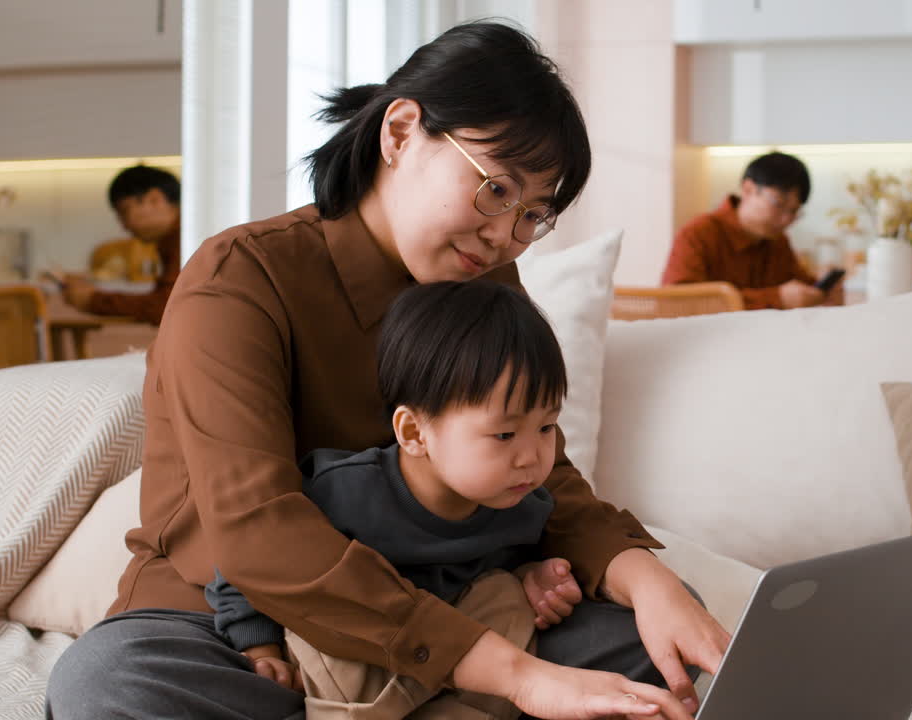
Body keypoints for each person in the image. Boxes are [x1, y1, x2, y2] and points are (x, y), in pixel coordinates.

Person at [46, 21, 727, 720]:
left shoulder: (488, 280)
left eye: (533, 215)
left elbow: (533, 472)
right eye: (495, 190)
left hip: (454, 601)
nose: (504, 234)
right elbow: (258, 533)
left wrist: (642, 577)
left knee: (656, 648)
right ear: (401, 133)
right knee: (107, 684)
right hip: (241, 628)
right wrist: (516, 676)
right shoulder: (239, 278)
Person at [204, 280, 600, 717]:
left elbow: (496, 575)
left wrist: (533, 576)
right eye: (504, 434)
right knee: (332, 627)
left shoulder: (525, 507)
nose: (532, 457)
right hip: (351, 665)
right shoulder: (343, 492)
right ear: (414, 433)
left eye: (547, 428)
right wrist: (261, 648)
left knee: (507, 598)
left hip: (448, 665)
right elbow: (250, 561)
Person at [662, 152, 843, 310]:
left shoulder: (777, 241)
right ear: (748, 189)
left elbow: (796, 289)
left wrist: (820, 291)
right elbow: (677, 304)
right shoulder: (698, 233)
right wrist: (775, 299)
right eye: (779, 204)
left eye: (794, 211)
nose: (786, 219)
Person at [60, 164, 182, 325]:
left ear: (155, 199)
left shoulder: (185, 237)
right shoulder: (174, 238)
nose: (124, 225)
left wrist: (93, 300)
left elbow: (168, 307)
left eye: (124, 211)